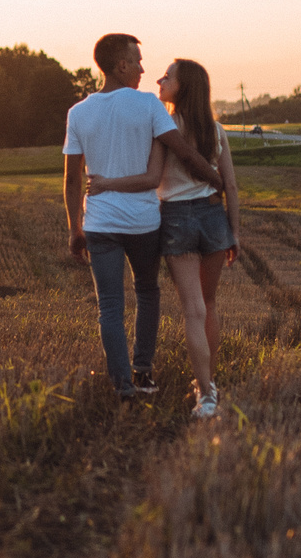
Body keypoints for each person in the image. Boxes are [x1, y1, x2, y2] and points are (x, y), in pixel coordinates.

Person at [62, 34, 222, 402]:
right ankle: (144, 373)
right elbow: (182, 151)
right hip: (143, 223)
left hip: (99, 224)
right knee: (148, 293)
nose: (143, 69)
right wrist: (216, 180)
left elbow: (72, 178)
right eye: (137, 61)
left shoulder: (78, 112)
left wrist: (74, 228)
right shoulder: (147, 105)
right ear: (121, 66)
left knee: (110, 306)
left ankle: (122, 384)